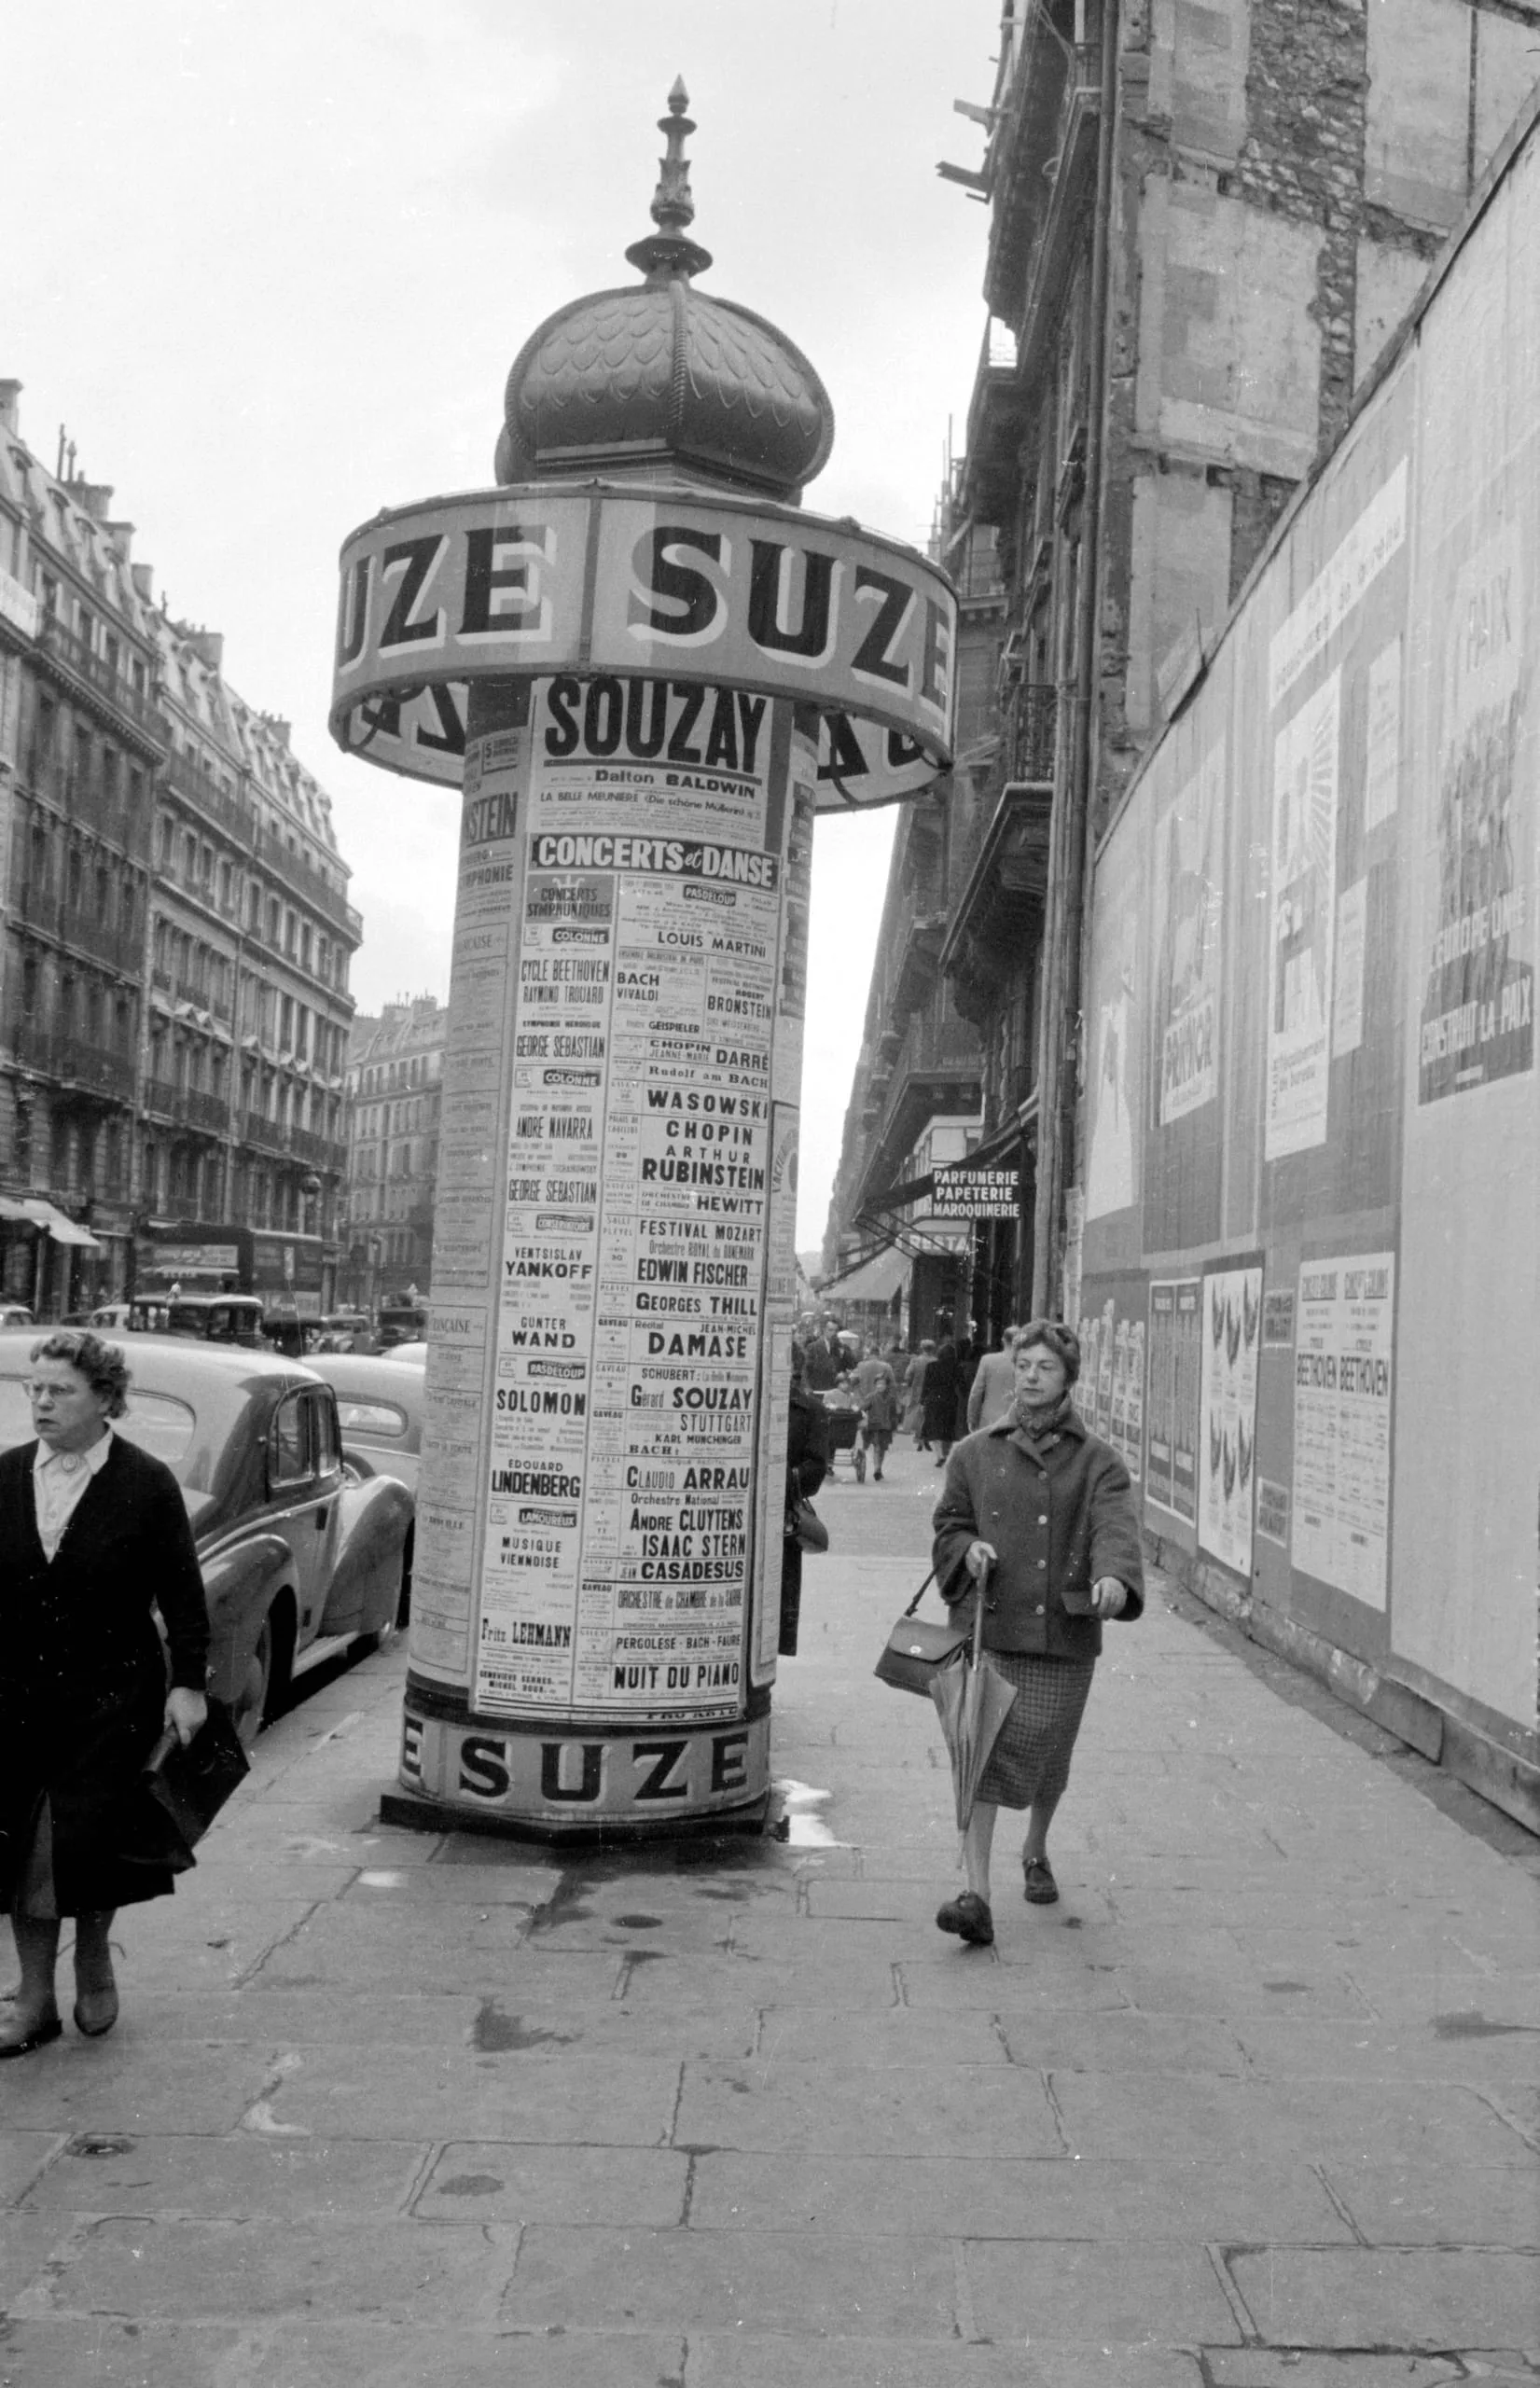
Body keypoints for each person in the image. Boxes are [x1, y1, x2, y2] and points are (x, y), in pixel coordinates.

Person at [0, 1331, 209, 2055]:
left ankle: (93, 1956)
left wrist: (188, 1684)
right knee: (24, 1848)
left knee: (92, 1842)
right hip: (18, 1697)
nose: (42, 1403)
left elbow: (182, 1594)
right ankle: (33, 1996)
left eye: (60, 1391)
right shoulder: (6, 1475)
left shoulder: (145, 1482)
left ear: (104, 1399)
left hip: (112, 1697)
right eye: (35, 1389)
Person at [930, 1319, 1144, 1947]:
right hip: (990, 1627)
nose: (1029, 1377)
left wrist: (1113, 1578)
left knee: (1048, 1758)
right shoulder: (973, 1452)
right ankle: (976, 1895)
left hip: (1062, 1632)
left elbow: (1114, 1527)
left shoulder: (1099, 1461)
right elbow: (949, 1524)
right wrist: (966, 1548)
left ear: (1067, 1378)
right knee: (980, 1754)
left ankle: (1036, 1847)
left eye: (1045, 1367)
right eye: (1022, 1365)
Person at [780, 1349, 832, 1657]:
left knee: (775, 1609)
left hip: (782, 1521)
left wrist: (779, 1477)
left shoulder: (810, 1411)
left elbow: (815, 1470)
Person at [850, 1338, 900, 1483]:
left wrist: (858, 1395)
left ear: (869, 1354)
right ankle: (878, 1467)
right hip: (882, 1407)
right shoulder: (886, 1367)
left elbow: (852, 1381)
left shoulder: (861, 1366)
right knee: (880, 1444)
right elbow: (893, 1386)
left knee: (868, 1436)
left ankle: (867, 1454)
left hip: (866, 1405)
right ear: (879, 1354)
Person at [967, 1326, 1022, 1432]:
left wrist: (972, 1419)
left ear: (1003, 1340)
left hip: (990, 1420)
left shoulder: (987, 1360)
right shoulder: (1026, 1363)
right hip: (1018, 1420)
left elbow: (976, 1393)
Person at [921, 1336, 961, 1465]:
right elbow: (961, 1385)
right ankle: (947, 1453)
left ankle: (940, 1455)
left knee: (935, 1428)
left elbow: (926, 1385)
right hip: (950, 1400)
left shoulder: (931, 1366)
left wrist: (922, 1401)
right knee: (948, 1428)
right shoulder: (956, 1367)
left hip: (934, 1399)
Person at [903, 1340, 934, 1446]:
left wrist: (909, 1383)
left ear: (922, 1348)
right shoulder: (936, 1360)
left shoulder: (916, 1360)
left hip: (917, 1389)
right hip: (931, 1390)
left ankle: (918, 1435)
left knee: (918, 1413)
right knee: (928, 1412)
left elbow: (907, 1375)